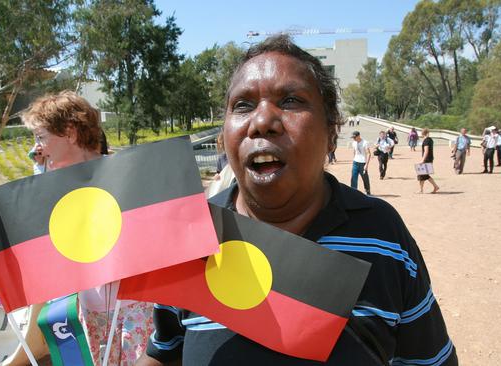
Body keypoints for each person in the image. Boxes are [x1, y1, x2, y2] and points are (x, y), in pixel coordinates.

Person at [138, 34, 456, 366]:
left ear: (331, 129)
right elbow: (164, 352)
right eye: (243, 105)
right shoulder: (193, 237)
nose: (262, 122)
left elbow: (430, 360)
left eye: (290, 100)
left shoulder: (381, 234)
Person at [22, 91, 153, 365]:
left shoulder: (127, 175)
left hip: (134, 308)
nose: (38, 148)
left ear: (69, 133)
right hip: (87, 308)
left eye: (41, 137)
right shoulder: (57, 187)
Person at [418, 128, 440, 194]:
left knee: (422, 174)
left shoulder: (426, 141)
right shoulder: (430, 140)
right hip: (430, 158)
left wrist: (422, 160)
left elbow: (426, 151)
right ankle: (422, 189)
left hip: (427, 159)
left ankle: (435, 186)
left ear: (422, 133)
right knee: (423, 175)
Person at [350, 130, 372, 195]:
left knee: (365, 178)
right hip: (355, 162)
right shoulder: (354, 143)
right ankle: (353, 192)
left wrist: (366, 165)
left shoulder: (365, 142)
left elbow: (369, 154)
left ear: (359, 136)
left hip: (363, 163)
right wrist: (354, 159)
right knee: (353, 178)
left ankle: (367, 190)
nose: (354, 139)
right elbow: (354, 151)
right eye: (353, 137)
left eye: (355, 137)